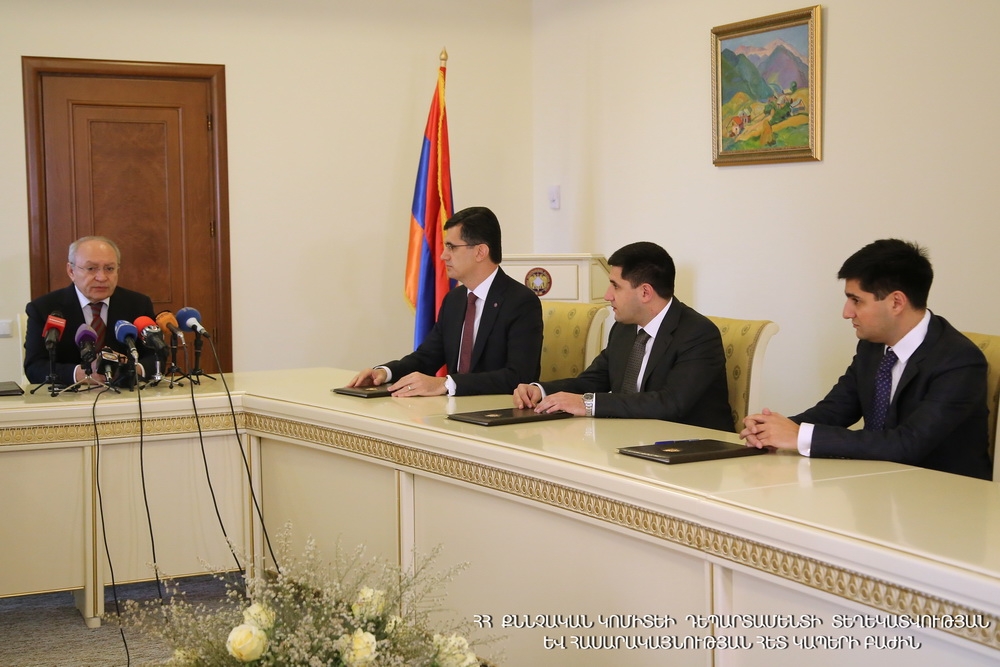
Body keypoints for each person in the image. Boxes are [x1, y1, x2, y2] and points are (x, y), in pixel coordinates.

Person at [740, 239, 992, 480]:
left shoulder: (960, 361)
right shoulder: (872, 346)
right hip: (877, 485)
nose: (846, 313)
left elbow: (908, 443)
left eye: (856, 300)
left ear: (896, 302)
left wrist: (799, 436)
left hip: (943, 496)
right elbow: (836, 410)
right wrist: (772, 428)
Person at [512, 241, 733, 430]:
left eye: (615, 286)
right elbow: (592, 381)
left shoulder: (698, 334)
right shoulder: (624, 328)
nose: (607, 295)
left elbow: (671, 403)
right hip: (629, 440)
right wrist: (540, 391)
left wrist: (588, 404)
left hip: (692, 450)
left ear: (645, 292)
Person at [349, 206, 543, 396]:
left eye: (451, 247)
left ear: (480, 252)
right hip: (451, 410)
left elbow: (518, 376)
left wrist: (447, 384)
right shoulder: (454, 300)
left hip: (495, 410)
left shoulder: (521, 302)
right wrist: (385, 373)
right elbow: (426, 358)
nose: (443, 255)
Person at [24, 236, 157, 387]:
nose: (102, 277)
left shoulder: (138, 304)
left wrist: (132, 369)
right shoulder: (44, 308)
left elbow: (156, 357)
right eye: (91, 269)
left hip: (126, 394)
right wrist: (82, 374)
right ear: (71, 271)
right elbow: (34, 367)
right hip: (70, 396)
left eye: (109, 269)